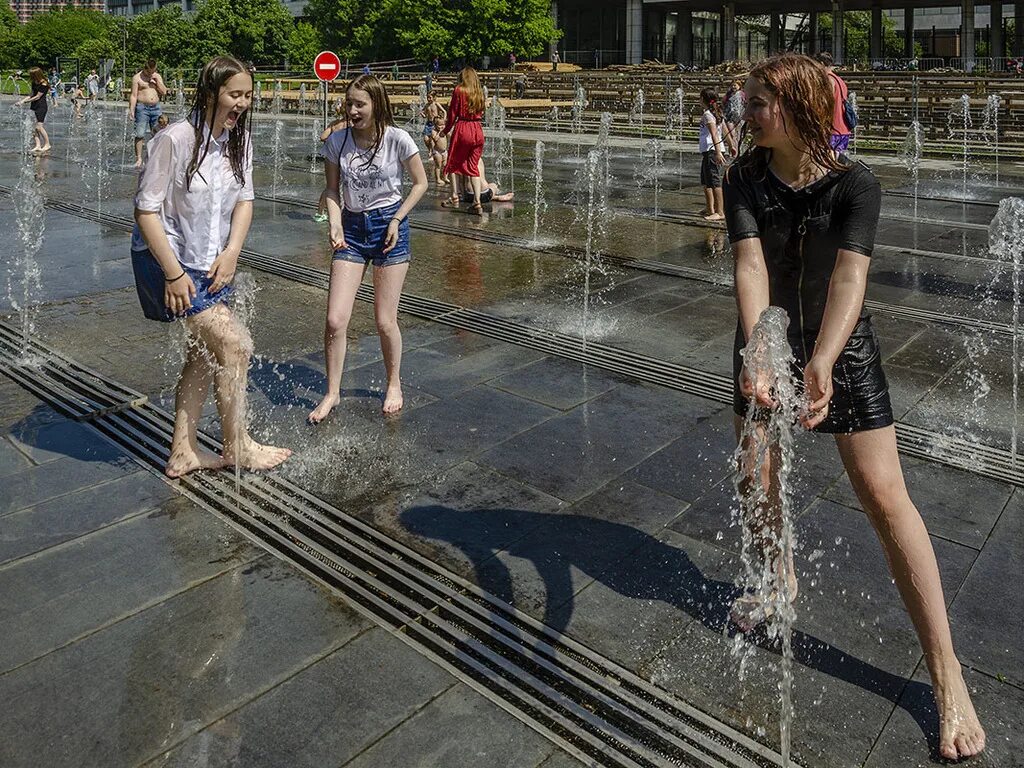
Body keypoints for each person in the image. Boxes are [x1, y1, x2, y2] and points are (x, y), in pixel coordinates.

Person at [723, 53, 985, 762]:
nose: (746, 109)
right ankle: (778, 580)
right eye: (746, 97)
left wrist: (823, 362)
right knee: (756, 474)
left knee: (883, 495)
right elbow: (750, 265)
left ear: (801, 106)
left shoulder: (856, 185)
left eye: (760, 99)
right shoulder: (742, 175)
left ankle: (947, 673)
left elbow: (850, 277)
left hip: (843, 349)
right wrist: (759, 355)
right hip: (766, 340)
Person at [131, 55, 291, 478]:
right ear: (210, 93)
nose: (242, 104)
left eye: (248, 96)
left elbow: (245, 200)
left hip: (211, 262)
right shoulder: (175, 139)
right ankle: (237, 444)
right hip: (170, 261)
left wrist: (233, 250)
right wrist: (173, 273)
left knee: (205, 353)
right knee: (235, 345)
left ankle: (183, 450)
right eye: (234, 94)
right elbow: (145, 211)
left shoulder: (237, 140)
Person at [309, 75, 428, 422]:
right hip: (352, 229)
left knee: (384, 320)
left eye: (360, 103)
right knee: (335, 319)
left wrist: (397, 219)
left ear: (377, 104)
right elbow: (332, 190)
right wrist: (334, 222)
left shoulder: (398, 140)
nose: (353, 109)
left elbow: (421, 183)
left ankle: (394, 383)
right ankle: (332, 392)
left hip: (389, 227)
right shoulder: (337, 141)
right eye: (349, 103)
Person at [439, 67, 486, 214]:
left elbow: (452, 113)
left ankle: (454, 196)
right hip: (478, 130)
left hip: (463, 127)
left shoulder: (459, 90)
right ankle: (477, 202)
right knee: (473, 167)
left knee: (453, 162)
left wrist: (445, 130)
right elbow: (482, 111)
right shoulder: (479, 92)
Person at [129, 59, 168, 168]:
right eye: (149, 72)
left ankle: (156, 156)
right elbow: (133, 95)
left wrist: (157, 82)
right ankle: (139, 158)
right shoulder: (137, 78)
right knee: (140, 133)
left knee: (159, 132)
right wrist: (131, 110)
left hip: (156, 108)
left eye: (153, 71)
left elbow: (164, 91)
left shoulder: (156, 76)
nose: (151, 74)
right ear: (145, 68)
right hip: (142, 108)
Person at [313, 110, 350, 222]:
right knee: (347, 184)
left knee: (330, 187)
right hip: (345, 157)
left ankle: (320, 212)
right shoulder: (352, 124)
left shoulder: (335, 124)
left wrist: (333, 141)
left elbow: (323, 136)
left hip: (332, 158)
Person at [814, 51, 852, 153]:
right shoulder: (840, 81)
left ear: (821, 64)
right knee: (837, 164)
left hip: (832, 130)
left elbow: (823, 105)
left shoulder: (828, 80)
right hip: (844, 130)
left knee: (826, 164)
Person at [698, 88, 726, 221]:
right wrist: (731, 145)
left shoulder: (709, 115)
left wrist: (718, 152)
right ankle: (710, 208)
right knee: (706, 180)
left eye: (700, 97)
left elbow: (715, 133)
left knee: (714, 182)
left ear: (704, 99)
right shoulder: (716, 113)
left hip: (712, 151)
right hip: (709, 151)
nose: (699, 100)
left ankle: (720, 212)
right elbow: (725, 130)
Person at [16, 68, 51, 154]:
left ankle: (47, 144)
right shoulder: (34, 82)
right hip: (34, 105)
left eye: (32, 75)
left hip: (41, 106)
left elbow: (37, 96)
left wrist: (24, 102)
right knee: (33, 127)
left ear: (37, 74)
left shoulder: (44, 83)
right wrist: (22, 101)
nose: (30, 76)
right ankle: (38, 145)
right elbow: (31, 94)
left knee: (39, 127)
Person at [722, 79, 745, 157]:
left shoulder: (742, 94)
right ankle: (731, 150)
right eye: (732, 85)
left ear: (739, 86)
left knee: (738, 136)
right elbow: (723, 102)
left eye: (735, 85)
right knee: (732, 134)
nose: (733, 87)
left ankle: (736, 152)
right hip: (729, 117)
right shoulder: (729, 94)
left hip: (739, 117)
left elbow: (746, 103)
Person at [429, 117, 449, 185]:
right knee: (438, 165)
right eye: (440, 125)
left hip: (444, 151)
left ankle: (445, 177)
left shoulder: (444, 131)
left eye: (443, 124)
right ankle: (438, 179)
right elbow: (435, 139)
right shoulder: (433, 131)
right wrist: (439, 132)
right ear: (435, 125)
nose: (442, 126)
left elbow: (449, 136)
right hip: (437, 151)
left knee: (445, 165)